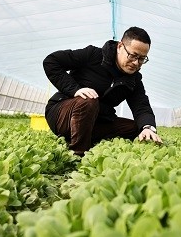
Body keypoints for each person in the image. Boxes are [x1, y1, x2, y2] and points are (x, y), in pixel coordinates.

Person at [43, 26, 162, 156]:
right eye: (133, 55)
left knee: (136, 128)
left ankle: (86, 137)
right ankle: (78, 153)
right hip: (63, 114)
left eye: (142, 59)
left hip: (96, 121)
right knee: (89, 100)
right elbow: (51, 62)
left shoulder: (133, 79)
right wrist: (75, 90)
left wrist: (147, 127)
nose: (136, 63)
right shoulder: (93, 55)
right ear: (120, 46)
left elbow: (141, 105)